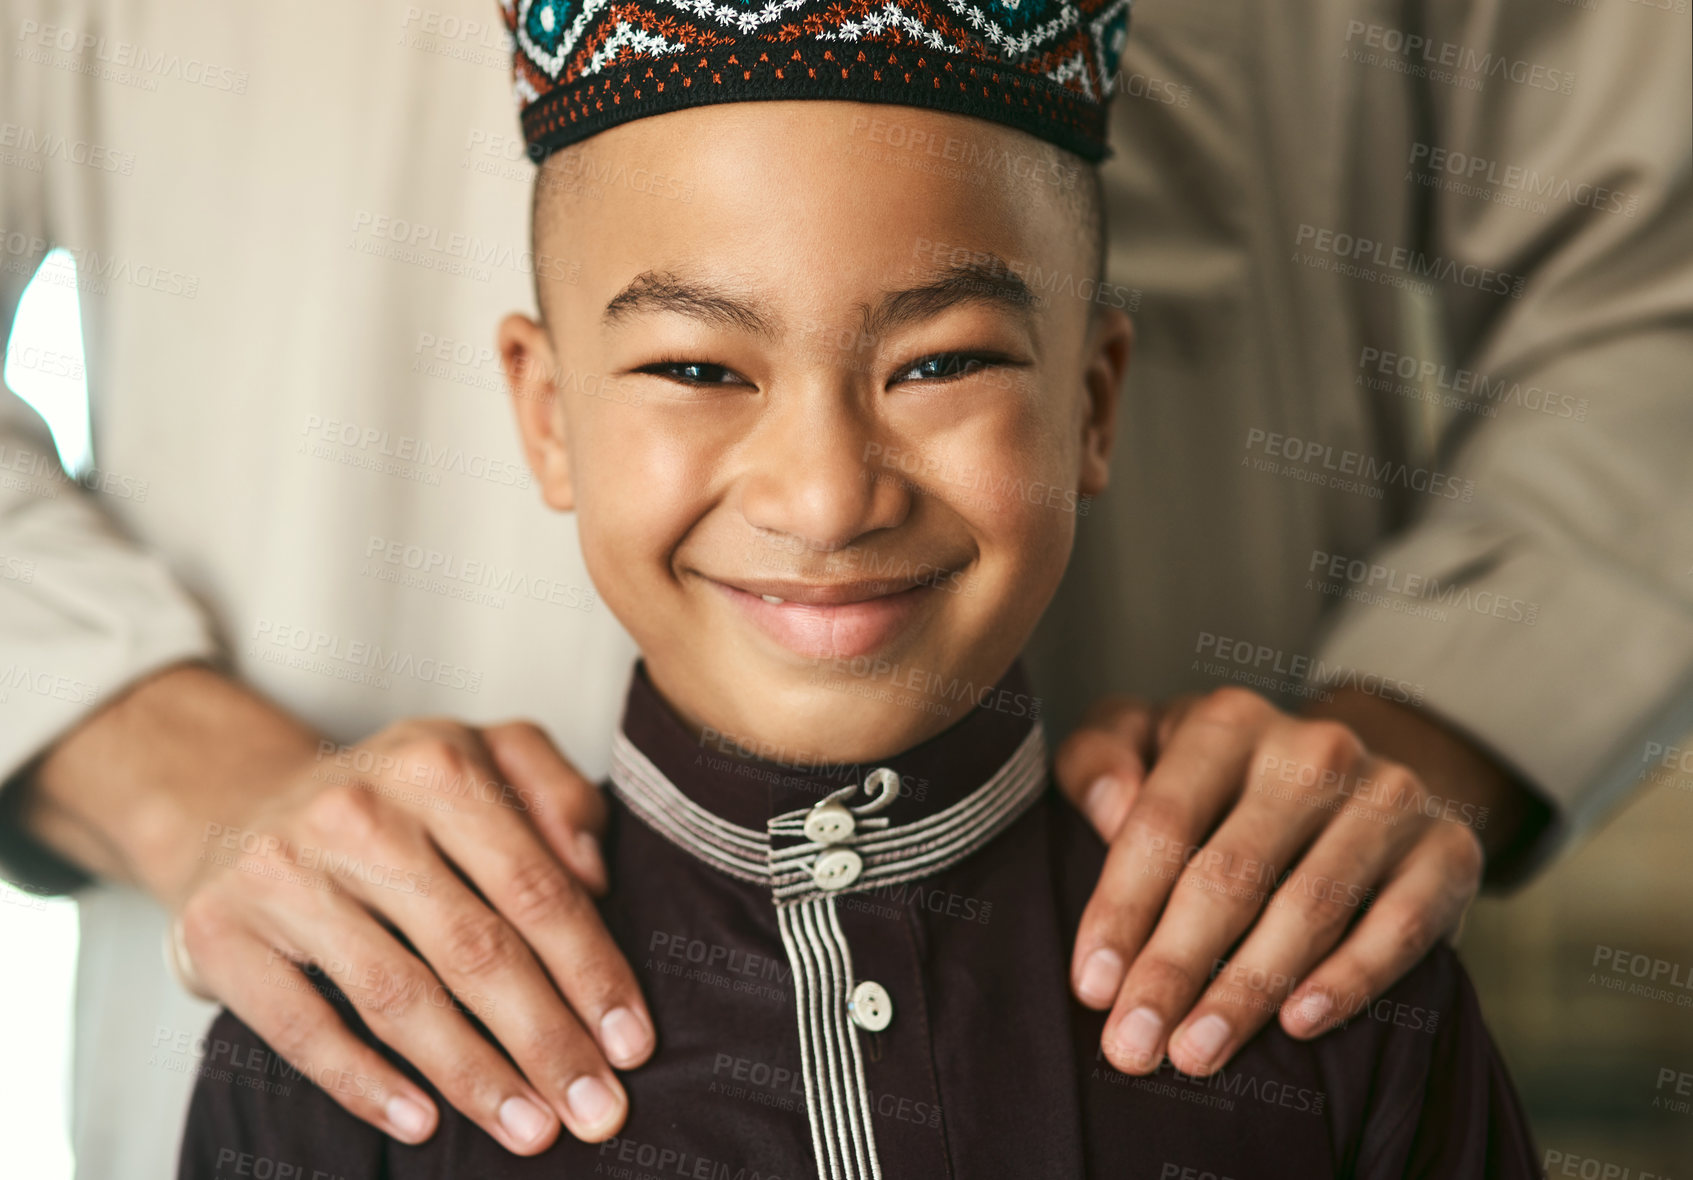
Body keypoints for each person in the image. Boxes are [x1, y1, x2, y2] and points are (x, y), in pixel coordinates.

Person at [1, 0, 1687, 1175]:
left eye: (943, 357)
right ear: (540, 403)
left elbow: (1651, 291)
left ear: (1095, 393)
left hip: (1223, 944)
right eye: (690, 365)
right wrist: (176, 770)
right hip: (351, 996)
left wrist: (1407, 750)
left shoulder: (1355, 1035)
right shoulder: (305, 1092)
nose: (820, 497)